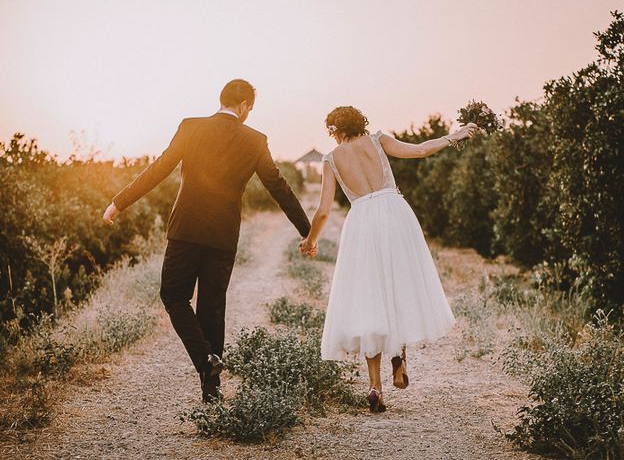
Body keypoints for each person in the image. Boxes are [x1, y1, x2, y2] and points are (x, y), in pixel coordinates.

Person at [103, 79, 310, 403]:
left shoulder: (191, 127)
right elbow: (279, 187)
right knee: (212, 308)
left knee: (174, 296)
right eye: (250, 109)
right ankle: (211, 392)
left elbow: (159, 169)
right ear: (243, 107)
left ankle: (205, 361)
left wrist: (119, 202)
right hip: (224, 235)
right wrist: (306, 230)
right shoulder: (255, 140)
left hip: (186, 229)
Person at [299, 106, 478, 412]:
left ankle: (374, 387)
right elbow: (420, 151)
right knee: (400, 285)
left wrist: (311, 240)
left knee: (371, 298)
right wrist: (454, 136)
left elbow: (324, 210)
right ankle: (399, 357)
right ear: (360, 123)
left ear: (334, 130)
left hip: (362, 224)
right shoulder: (378, 140)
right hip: (395, 214)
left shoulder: (331, 159)